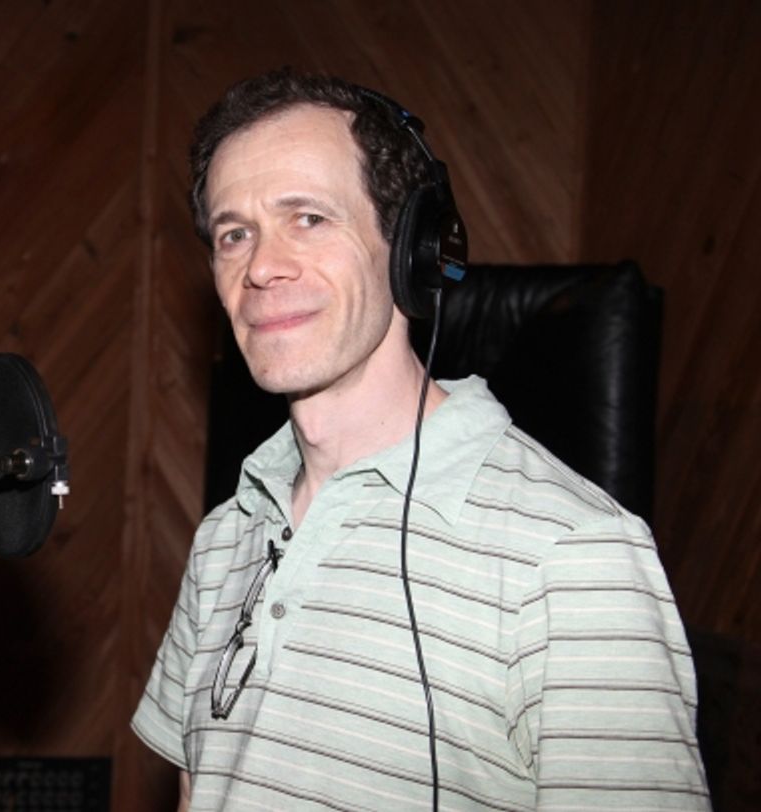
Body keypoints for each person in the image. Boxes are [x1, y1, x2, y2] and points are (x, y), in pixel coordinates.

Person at [131, 68, 709, 811]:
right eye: (234, 233)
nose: (261, 267)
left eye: (308, 217)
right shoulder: (224, 537)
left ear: (412, 247)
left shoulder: (574, 555)